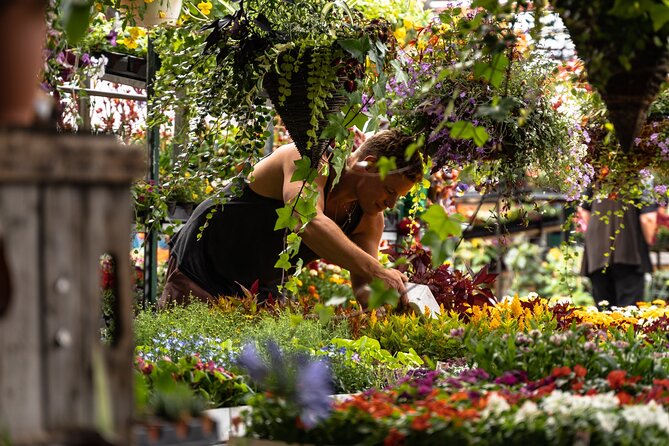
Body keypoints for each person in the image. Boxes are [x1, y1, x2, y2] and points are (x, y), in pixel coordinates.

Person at [159, 129, 424, 308]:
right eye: (390, 191)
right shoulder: (307, 160)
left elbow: (365, 289)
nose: (391, 204)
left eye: (398, 197)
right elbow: (306, 221)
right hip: (203, 266)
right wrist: (377, 270)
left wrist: (395, 296)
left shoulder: (368, 219)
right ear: (371, 164)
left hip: (257, 287)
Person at [579, 187, 658, 306]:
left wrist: (599, 234)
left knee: (603, 314)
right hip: (630, 253)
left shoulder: (596, 173)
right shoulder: (641, 175)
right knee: (629, 316)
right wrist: (649, 242)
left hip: (596, 255)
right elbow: (648, 219)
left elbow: (583, 211)